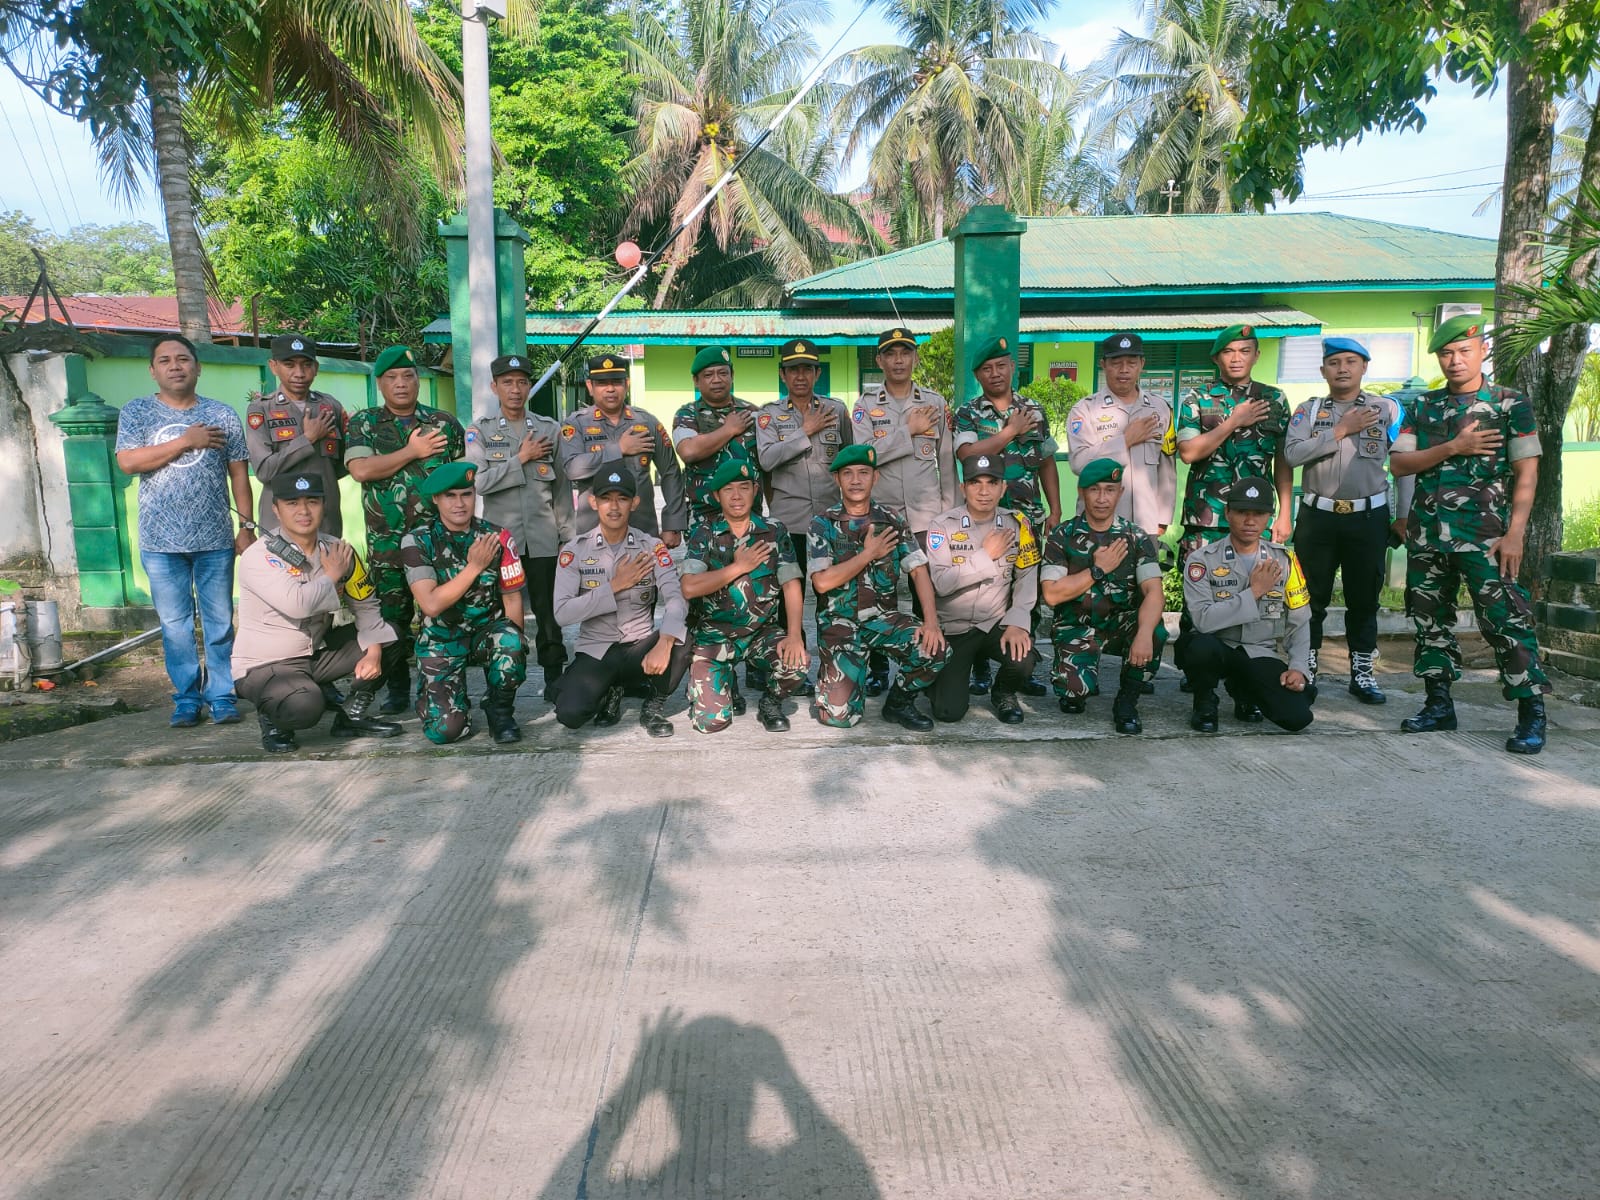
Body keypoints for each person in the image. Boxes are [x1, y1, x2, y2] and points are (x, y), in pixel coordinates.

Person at [1390, 314, 1551, 754]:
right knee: (1429, 621)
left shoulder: (1509, 403)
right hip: (1427, 536)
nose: (1455, 360)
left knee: (1505, 621)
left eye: (1464, 351)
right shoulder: (1423, 407)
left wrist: (1516, 532)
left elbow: (1527, 472)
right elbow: (1399, 465)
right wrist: (1453, 447)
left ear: (1482, 352)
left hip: (1487, 536)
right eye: (1446, 353)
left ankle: (1531, 714)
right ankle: (1439, 704)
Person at [114, 334, 255, 727]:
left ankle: (223, 695)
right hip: (161, 542)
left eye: (182, 359)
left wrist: (245, 527)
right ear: (153, 370)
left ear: (198, 367)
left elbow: (239, 475)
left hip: (215, 539)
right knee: (175, 625)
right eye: (165, 361)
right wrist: (185, 441)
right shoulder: (137, 412)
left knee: (220, 622)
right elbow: (128, 462)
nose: (175, 366)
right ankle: (187, 699)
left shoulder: (222, 414)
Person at [233, 471, 404, 752]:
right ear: (276, 509)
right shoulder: (260, 555)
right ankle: (274, 719)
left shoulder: (337, 549)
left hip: (314, 655)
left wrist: (374, 650)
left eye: (312, 501)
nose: (303, 510)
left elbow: (366, 604)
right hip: (267, 665)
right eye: (292, 503)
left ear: (324, 505)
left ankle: (352, 716)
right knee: (306, 705)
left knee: (390, 636)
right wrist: (332, 575)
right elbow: (297, 604)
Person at [1174, 324, 1293, 711]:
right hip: (1208, 520)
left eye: (1245, 350)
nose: (1237, 357)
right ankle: (1202, 686)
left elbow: (1284, 460)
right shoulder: (1197, 398)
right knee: (1203, 607)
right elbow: (1189, 452)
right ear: (1217, 358)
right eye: (1230, 352)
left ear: (1257, 355)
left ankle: (1246, 687)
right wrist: (1233, 421)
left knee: (1260, 605)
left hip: (1258, 522)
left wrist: (1285, 512)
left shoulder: (1274, 399)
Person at [1284, 336, 1410, 702]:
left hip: (1367, 517)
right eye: (1335, 362)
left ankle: (1364, 673)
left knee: (1364, 598)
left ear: (1364, 367)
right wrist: (1340, 430)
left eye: (1351, 362)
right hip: (1318, 517)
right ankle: (1305, 669)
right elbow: (1292, 455)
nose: (1342, 368)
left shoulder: (1386, 409)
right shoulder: (1308, 411)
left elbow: (1404, 465)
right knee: (1309, 599)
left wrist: (1402, 515)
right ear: (1323, 369)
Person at [344, 345, 466, 714]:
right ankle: (396, 688)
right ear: (380, 383)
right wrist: (412, 451)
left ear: (418, 381)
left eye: (408, 376)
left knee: (441, 614)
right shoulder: (363, 422)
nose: (401, 384)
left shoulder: (444, 423)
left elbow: (460, 479)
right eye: (392, 378)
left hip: (436, 542)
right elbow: (362, 470)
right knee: (392, 619)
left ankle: (440, 687)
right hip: (387, 542)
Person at [808, 444, 950, 730]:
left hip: (883, 621)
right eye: (847, 473)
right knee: (838, 717)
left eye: (864, 472)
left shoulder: (892, 521)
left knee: (935, 649)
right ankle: (843, 683)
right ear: (837, 479)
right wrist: (868, 554)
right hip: (840, 625)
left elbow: (919, 571)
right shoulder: (822, 523)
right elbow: (821, 583)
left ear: (875, 477)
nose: (856, 480)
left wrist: (932, 622)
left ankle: (899, 703)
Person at [952, 334, 1060, 697]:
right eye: (987, 369)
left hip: (1028, 519)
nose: (995, 373)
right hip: (984, 518)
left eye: (1001, 365)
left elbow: (1045, 461)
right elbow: (967, 453)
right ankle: (982, 663)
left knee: (1026, 589)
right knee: (985, 587)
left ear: (1013, 366)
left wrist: (1055, 508)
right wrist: (1010, 431)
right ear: (978, 375)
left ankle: (1022, 663)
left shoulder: (1035, 410)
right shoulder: (968, 412)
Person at [852, 327, 958, 694]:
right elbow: (863, 457)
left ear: (915, 357)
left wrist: (950, 513)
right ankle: (879, 666)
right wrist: (906, 431)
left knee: (927, 591)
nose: (898, 360)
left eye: (905, 353)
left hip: (928, 516)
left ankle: (926, 660)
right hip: (880, 518)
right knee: (879, 595)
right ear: (879, 360)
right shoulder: (865, 406)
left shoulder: (934, 402)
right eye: (890, 354)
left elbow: (947, 463)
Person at [467, 353, 575, 702]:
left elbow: (561, 489)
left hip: (544, 539)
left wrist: (567, 537)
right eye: (508, 383)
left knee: (549, 612)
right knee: (499, 611)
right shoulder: (479, 431)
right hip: (502, 542)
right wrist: (520, 459)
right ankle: (501, 679)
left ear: (529, 386)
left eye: (522, 382)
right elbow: (478, 482)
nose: (515, 389)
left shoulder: (548, 429)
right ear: (494, 387)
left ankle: (554, 678)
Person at [552, 468, 692, 737]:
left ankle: (653, 705)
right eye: (606, 498)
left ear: (634, 503)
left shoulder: (651, 547)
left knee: (682, 639)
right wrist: (614, 586)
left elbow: (675, 598)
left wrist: (664, 642)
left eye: (622, 498)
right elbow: (562, 613)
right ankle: (609, 691)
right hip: (597, 650)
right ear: (593, 502)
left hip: (640, 647)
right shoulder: (575, 551)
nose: (614, 507)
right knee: (569, 714)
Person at [401, 462, 528, 745]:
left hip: (486, 632)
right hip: (441, 639)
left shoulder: (499, 537)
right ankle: (437, 698)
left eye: (466, 494)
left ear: (475, 495)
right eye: (450, 496)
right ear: (436, 499)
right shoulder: (418, 541)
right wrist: (474, 566)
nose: (460, 503)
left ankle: (499, 709)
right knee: (448, 731)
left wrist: (514, 658)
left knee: (513, 643)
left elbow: (512, 597)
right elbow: (431, 604)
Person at [679, 460, 809, 733]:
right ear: (717, 496)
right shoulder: (703, 533)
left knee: (798, 662)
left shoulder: (773, 531)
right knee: (710, 723)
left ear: (755, 491)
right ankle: (725, 680)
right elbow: (689, 587)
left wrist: (794, 634)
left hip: (760, 633)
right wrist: (738, 567)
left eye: (744, 487)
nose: (737, 496)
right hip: (714, 636)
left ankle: (770, 702)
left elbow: (791, 585)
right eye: (728, 489)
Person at [754, 337, 852, 697]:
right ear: (782, 374)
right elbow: (766, 461)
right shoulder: (768, 415)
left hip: (829, 520)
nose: (800, 375)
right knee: (786, 599)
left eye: (807, 368)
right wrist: (804, 430)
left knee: (833, 598)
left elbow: (848, 459)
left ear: (816, 372)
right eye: (793, 369)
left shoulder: (836, 410)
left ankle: (834, 666)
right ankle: (790, 669)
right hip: (789, 521)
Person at [1040, 458, 1168, 733]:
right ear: (1081, 492)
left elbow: (1154, 592)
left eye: (1109, 490)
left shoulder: (1135, 537)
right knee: (1075, 693)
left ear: (1120, 493)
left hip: (1119, 624)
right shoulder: (1062, 535)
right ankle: (1081, 675)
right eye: (1094, 489)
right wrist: (1097, 570)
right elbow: (1051, 595)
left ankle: (1127, 700)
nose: (1101, 498)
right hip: (1076, 625)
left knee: (1153, 630)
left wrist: (1144, 633)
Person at [1182, 477, 1315, 734]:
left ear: (1269, 517)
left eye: (1259, 514)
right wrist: (1255, 591)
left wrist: (1299, 668)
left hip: (1258, 653)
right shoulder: (1202, 560)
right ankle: (1205, 701)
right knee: (1198, 647)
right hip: (1218, 648)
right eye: (1242, 512)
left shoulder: (1285, 560)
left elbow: (1299, 621)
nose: (1250, 521)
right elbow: (1203, 620)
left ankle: (1244, 693)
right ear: (1228, 513)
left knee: (1298, 715)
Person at [923, 454, 1040, 724]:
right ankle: (937, 679)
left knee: (1024, 656)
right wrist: (986, 556)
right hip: (953, 628)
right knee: (948, 713)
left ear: (1003, 488)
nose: (984, 491)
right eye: (975, 483)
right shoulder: (943, 526)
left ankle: (1003, 693)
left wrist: (1018, 622)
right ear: (963, 488)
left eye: (992, 482)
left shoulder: (1018, 525)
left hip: (995, 624)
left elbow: (1026, 577)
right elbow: (940, 583)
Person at [557, 353, 687, 543]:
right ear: (590, 387)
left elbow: (670, 471)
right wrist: (618, 449)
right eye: (602, 383)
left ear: (626, 384)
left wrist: (673, 524)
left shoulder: (647, 422)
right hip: (593, 538)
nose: (610, 389)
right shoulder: (576, 425)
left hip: (643, 533)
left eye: (616, 382)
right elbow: (572, 468)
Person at [1064, 333, 1177, 538]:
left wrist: (1163, 516)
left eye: (1131, 362)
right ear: (1103, 364)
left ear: (1142, 364)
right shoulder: (1085, 410)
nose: (1124, 370)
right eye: (1116, 363)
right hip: (1097, 526)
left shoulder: (1160, 408)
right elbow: (1079, 463)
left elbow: (1166, 467)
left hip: (1146, 524)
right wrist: (1125, 440)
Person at [245, 334, 348, 535]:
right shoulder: (261, 410)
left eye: (306, 365)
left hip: (324, 521)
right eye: (289, 365)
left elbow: (341, 465)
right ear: (274, 366)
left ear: (316, 368)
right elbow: (264, 471)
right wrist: (308, 439)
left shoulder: (330, 406)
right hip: (279, 525)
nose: (299, 373)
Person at [673, 346, 763, 525]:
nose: (716, 380)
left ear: (732, 375)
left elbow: (766, 467)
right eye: (708, 375)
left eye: (723, 373)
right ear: (696, 381)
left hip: (749, 517)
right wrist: (729, 429)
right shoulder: (687, 414)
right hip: (705, 518)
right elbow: (688, 451)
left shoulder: (752, 413)